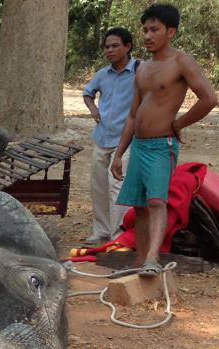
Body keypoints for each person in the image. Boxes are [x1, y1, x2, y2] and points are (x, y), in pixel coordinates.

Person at [111, 4, 217, 276]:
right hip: (139, 145)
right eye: (145, 30)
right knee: (140, 205)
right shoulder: (142, 68)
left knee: (157, 202)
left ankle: (152, 260)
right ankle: (139, 264)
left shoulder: (181, 61)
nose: (147, 35)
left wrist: (178, 123)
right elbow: (133, 116)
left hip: (162, 144)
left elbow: (209, 99)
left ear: (171, 31)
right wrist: (119, 153)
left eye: (154, 29)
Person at [82, 28, 139, 245]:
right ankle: (102, 230)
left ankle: (118, 236)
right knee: (98, 186)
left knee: (117, 187)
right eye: (107, 46)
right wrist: (93, 109)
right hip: (101, 137)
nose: (110, 50)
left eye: (115, 45)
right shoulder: (102, 74)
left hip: (125, 141)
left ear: (128, 46)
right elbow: (88, 93)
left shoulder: (140, 71)